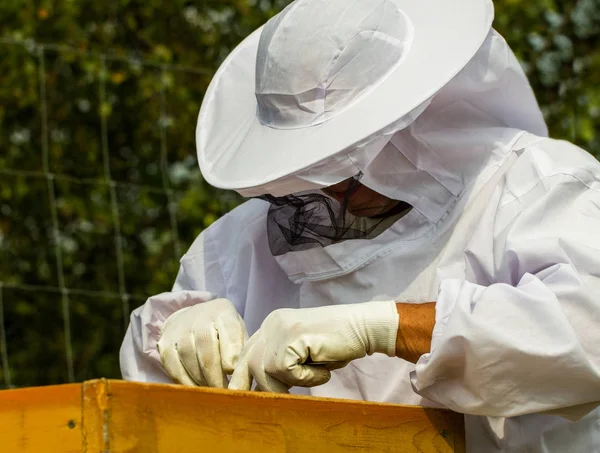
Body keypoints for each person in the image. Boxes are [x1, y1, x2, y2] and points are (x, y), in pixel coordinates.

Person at [120, 0, 600, 451]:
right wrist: (173, 339)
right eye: (305, 174)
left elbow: (585, 330)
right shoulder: (235, 246)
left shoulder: (535, 188)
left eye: (340, 170)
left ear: (410, 128)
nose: (325, 197)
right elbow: (146, 414)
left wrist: (384, 327)